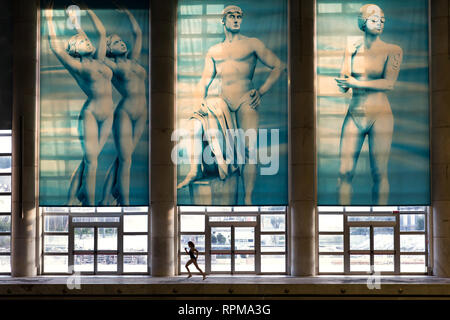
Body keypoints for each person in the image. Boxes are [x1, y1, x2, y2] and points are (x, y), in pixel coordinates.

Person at [177, 5, 286, 205]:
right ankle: (201, 171)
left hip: (246, 99)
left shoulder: (252, 43)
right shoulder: (214, 51)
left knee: (249, 149)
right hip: (223, 102)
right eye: (232, 16)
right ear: (223, 20)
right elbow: (203, 81)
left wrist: (260, 91)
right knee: (200, 126)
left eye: (239, 16)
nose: (236, 20)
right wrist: (199, 101)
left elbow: (279, 66)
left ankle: (247, 199)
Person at [45, 1, 114, 206]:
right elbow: (56, 46)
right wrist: (48, 17)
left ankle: (75, 195)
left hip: (108, 112)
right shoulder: (77, 66)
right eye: (82, 40)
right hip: (91, 114)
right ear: (75, 48)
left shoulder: (99, 60)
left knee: (89, 161)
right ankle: (90, 204)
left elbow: (101, 33)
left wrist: (85, 11)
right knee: (91, 162)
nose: (86, 39)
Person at [335, 4, 403, 205]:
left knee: (379, 172)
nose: (380, 23)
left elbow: (388, 83)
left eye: (382, 19)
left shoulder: (393, 50)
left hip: (380, 114)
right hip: (355, 112)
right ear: (363, 22)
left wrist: (356, 83)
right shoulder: (354, 48)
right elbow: (342, 86)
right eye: (374, 19)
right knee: (344, 171)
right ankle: (341, 215)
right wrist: (348, 54)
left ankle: (382, 217)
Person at [99, 6, 148, 206]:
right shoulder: (114, 66)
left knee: (122, 159)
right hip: (125, 113)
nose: (122, 43)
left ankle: (106, 197)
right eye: (117, 42)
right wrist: (103, 37)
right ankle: (125, 201)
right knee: (126, 160)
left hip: (142, 112)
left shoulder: (133, 61)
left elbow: (137, 34)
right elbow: (100, 56)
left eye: (121, 40)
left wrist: (128, 13)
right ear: (110, 49)